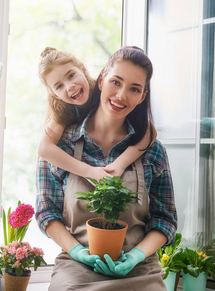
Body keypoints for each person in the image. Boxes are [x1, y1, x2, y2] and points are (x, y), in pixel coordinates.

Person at [36, 46, 177, 290]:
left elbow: (165, 221)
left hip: (140, 270)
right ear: (101, 80)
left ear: (142, 96)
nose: (122, 95)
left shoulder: (151, 150)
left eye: (134, 89)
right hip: (76, 269)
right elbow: (47, 213)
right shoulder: (60, 147)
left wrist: (135, 256)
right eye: (116, 82)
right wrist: (78, 251)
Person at [37, 47, 156, 181]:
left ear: (83, 69)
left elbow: (149, 132)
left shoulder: (103, 88)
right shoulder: (63, 111)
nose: (69, 86)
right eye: (59, 86)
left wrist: (120, 165)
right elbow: (44, 148)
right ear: (54, 95)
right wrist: (89, 171)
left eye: (71, 76)